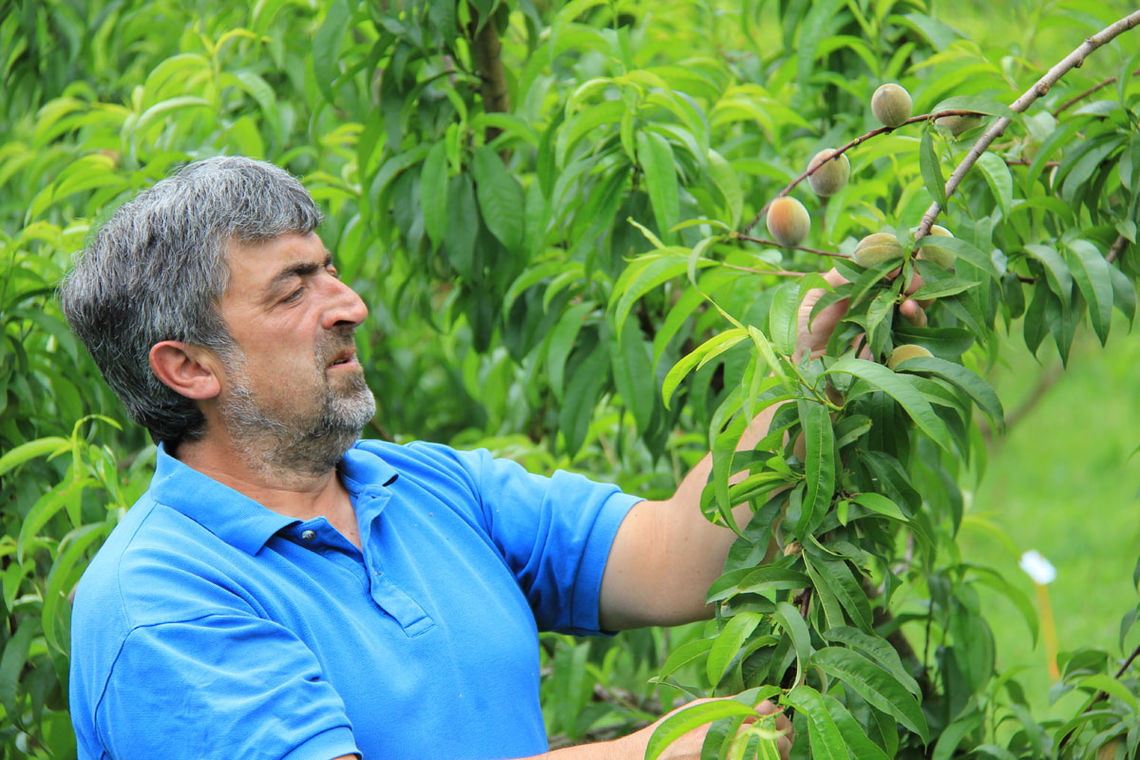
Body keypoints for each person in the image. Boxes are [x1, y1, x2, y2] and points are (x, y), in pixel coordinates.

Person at [59, 157, 829, 760]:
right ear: (190, 368)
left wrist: (806, 369)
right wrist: (646, 752)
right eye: (293, 291)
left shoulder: (428, 485)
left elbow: (678, 560)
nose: (349, 303)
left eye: (328, 268)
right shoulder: (156, 601)